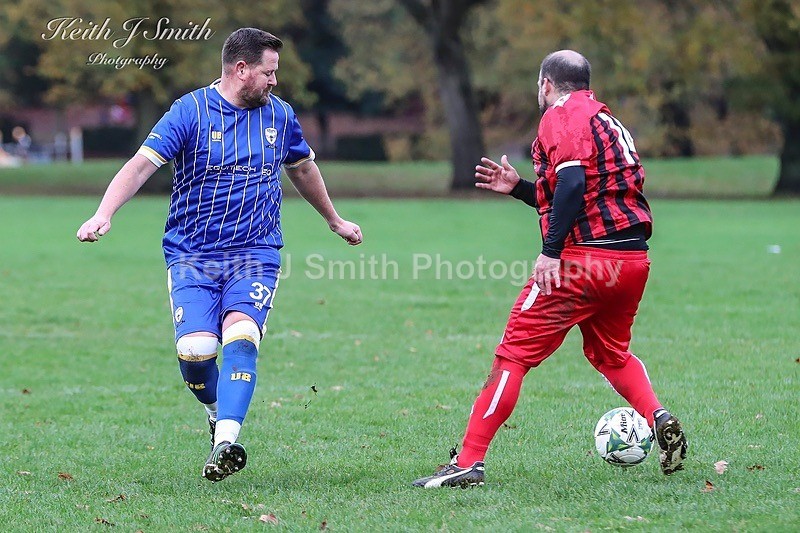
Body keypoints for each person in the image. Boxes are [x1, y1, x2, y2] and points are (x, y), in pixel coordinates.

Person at [77, 28, 363, 482]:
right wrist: (103, 214)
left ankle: (227, 442)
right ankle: (216, 411)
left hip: (256, 252)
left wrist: (334, 219)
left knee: (243, 335)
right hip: (192, 254)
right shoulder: (188, 112)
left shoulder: (281, 115)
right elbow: (139, 166)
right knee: (196, 352)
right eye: (268, 73)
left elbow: (303, 167)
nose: (274, 81)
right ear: (241, 69)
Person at [412, 50, 687, 488]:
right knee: (610, 354)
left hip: (585, 263)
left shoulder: (562, 113)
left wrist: (552, 251)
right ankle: (657, 417)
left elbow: (574, 184)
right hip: (632, 263)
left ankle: (468, 462)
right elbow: (585, 191)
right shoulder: (605, 120)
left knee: (512, 356)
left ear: (546, 83)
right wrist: (520, 188)